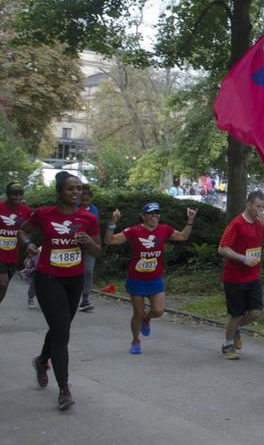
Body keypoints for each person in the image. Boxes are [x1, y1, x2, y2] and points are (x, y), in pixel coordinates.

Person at [20, 171, 101, 410]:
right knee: (62, 332)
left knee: (60, 328)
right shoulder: (44, 213)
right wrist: (28, 244)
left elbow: (97, 252)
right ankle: (64, 389)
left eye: (79, 189)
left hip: (74, 280)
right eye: (70, 189)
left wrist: (90, 243)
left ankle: (42, 360)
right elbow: (23, 230)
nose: (76, 193)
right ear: (59, 192)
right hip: (49, 278)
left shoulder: (88, 217)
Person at [104, 202, 196, 354]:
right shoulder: (134, 231)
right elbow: (110, 240)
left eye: (157, 213)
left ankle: (147, 319)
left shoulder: (164, 229)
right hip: (136, 279)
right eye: (151, 213)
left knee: (159, 311)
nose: (155, 216)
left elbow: (183, 236)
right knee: (137, 313)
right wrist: (113, 223)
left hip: (155, 278)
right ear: (143, 215)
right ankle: (135, 340)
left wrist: (190, 219)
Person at [218, 191, 264, 359]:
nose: (261, 211)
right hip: (234, 277)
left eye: (263, 207)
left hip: (253, 276)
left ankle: (236, 328)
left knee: (255, 313)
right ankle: (227, 345)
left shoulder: (260, 224)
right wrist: (242, 258)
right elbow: (222, 248)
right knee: (236, 314)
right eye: (258, 207)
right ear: (249, 205)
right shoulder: (236, 224)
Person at [0, 181, 33, 306]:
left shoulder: (26, 210)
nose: (17, 198)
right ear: (8, 195)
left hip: (14, 255)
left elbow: (35, 223)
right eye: (14, 195)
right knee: (3, 282)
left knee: (4, 287)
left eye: (20, 195)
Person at [78, 184, 100, 312]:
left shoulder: (94, 209)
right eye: (83, 200)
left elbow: (95, 227)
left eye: (87, 200)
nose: (85, 202)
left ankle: (85, 299)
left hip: (90, 243)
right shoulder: (73, 209)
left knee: (88, 271)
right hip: (75, 244)